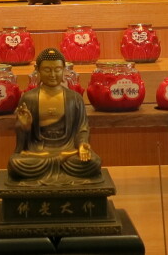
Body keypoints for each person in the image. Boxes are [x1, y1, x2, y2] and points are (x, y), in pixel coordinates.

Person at [8, 47, 102, 185]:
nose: (52, 74)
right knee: (16, 163)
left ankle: (57, 167)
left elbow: (82, 129)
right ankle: (58, 167)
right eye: (47, 70)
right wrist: (24, 126)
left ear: (64, 70)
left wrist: (82, 145)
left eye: (57, 69)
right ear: (37, 70)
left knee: (94, 162)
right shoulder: (29, 98)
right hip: (39, 151)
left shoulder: (74, 98)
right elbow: (23, 143)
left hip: (68, 150)